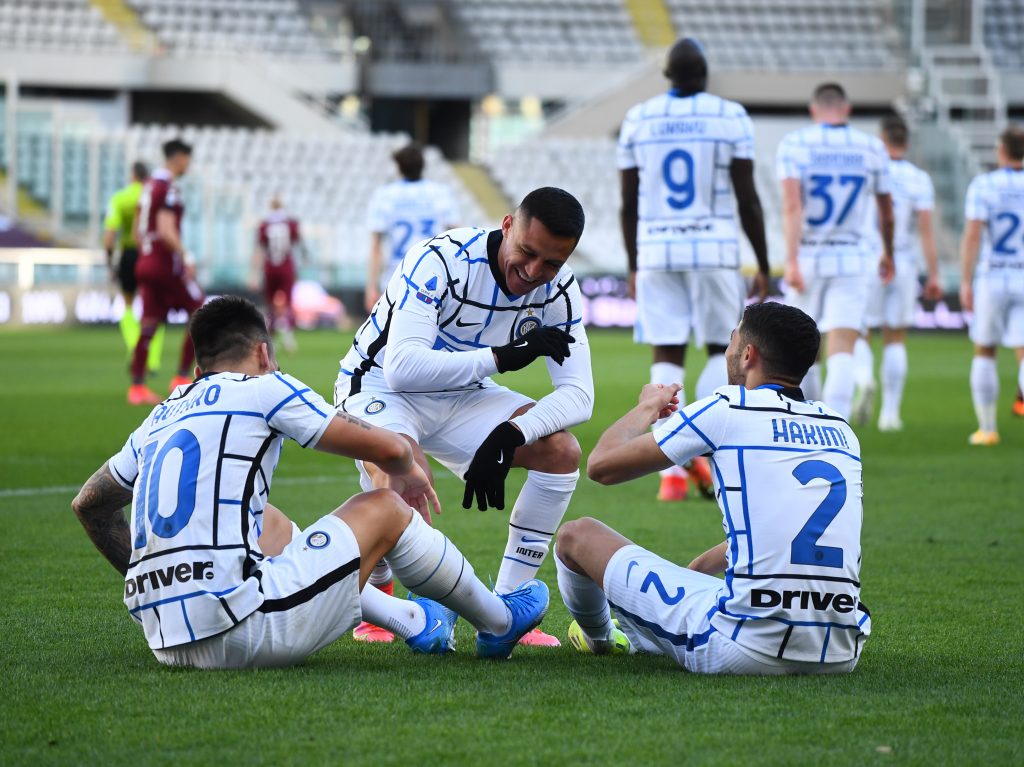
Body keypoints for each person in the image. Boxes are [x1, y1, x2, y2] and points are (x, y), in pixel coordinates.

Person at [70, 296, 549, 668]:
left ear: (198, 371)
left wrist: (158, 583)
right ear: (263, 352)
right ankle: (499, 621)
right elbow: (386, 448)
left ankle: (414, 620)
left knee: (267, 523)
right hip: (240, 630)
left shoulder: (161, 414)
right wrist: (406, 462)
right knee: (383, 505)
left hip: (164, 639)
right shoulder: (265, 385)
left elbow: (88, 504)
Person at [335, 187, 592, 647]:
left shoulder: (560, 289)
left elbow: (579, 395)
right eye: (527, 253)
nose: (534, 273)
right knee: (403, 475)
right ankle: (387, 606)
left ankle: (510, 603)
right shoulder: (441, 259)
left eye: (551, 264)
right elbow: (403, 368)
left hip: (464, 393)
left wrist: (511, 435)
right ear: (507, 225)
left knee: (560, 450)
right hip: (378, 386)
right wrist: (500, 358)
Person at [555, 301, 870, 674]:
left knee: (576, 536)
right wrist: (699, 568)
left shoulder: (727, 408)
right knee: (701, 586)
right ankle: (648, 630)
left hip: (744, 646)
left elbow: (601, 465)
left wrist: (647, 408)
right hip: (840, 651)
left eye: (733, 339)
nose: (729, 349)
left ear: (748, 354)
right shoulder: (841, 430)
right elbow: (787, 525)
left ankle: (603, 638)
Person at [618, 37, 770, 502]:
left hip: (657, 249)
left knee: (667, 355)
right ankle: (701, 450)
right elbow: (746, 196)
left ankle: (672, 475)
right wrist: (762, 261)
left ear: (667, 76)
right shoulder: (730, 116)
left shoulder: (638, 118)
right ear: (705, 76)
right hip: (714, 249)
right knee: (716, 351)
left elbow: (629, 202)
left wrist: (634, 264)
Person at [777, 83, 895, 420]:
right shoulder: (871, 148)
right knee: (842, 344)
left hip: (809, 257)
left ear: (814, 111)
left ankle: (806, 421)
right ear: (847, 109)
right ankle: (837, 429)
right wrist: (888, 252)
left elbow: (792, 206)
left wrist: (792, 261)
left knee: (803, 349)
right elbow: (886, 213)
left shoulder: (795, 145)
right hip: (853, 258)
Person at [852, 117, 943, 431]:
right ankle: (890, 415)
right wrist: (934, 274)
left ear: (881, 140)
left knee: (859, 331)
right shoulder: (919, 179)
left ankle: (864, 380)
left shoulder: (867, 172)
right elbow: (927, 232)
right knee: (896, 338)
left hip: (868, 259)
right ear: (906, 143)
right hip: (903, 261)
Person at [959, 124, 1024, 446]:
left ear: (1001, 151)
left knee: (985, 350)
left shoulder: (984, 185)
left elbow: (972, 235)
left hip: (993, 276)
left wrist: (964, 281)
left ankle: (987, 429)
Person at [128, 138, 205, 406]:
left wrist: (148, 253)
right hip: (164, 262)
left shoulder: (147, 185)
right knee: (201, 312)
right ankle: (181, 376)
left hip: (145, 261)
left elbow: (137, 230)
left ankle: (137, 387)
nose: (188, 165)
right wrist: (185, 255)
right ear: (179, 158)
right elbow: (165, 228)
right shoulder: (169, 187)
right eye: (187, 159)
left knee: (148, 324)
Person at [364, 145, 460, 314]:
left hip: (397, 275)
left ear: (398, 167)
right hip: (433, 272)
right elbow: (457, 238)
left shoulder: (385, 195)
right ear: (423, 166)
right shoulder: (440, 193)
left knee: (393, 333)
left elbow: (376, 246)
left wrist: (371, 285)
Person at [103, 161, 164, 373]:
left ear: (132, 176)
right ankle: (153, 359)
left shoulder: (120, 197)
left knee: (128, 306)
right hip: (152, 255)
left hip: (129, 255)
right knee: (154, 308)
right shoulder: (155, 197)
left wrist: (110, 262)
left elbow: (110, 236)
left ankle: (134, 350)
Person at [251, 196, 304, 354]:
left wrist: (253, 273)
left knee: (270, 304)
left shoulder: (265, 224)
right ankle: (287, 336)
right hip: (286, 265)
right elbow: (297, 241)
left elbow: (260, 249)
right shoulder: (290, 223)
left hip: (270, 266)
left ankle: (269, 339)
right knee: (287, 303)